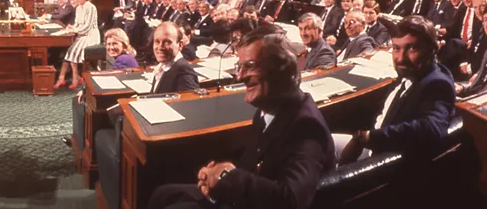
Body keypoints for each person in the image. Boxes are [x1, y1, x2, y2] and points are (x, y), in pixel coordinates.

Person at [147, 31, 334, 209]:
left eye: (250, 66)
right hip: (244, 197)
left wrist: (228, 177)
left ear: (282, 70)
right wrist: (216, 175)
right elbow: (252, 166)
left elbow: (291, 200)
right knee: (162, 194)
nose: (240, 76)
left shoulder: (306, 127)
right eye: (239, 67)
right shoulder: (266, 110)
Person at [334, 16, 455, 164]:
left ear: (432, 50)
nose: (401, 58)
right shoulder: (411, 72)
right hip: (375, 142)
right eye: (396, 48)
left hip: (380, 156)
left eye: (412, 48)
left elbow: (432, 128)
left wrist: (367, 137)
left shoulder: (437, 84)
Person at [55, 0, 100, 89]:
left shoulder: (91, 7)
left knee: (73, 52)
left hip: (91, 35)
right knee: (70, 51)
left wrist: (74, 30)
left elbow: (87, 27)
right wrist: (72, 27)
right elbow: (78, 24)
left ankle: (75, 78)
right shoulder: (79, 8)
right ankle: (62, 78)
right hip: (81, 34)